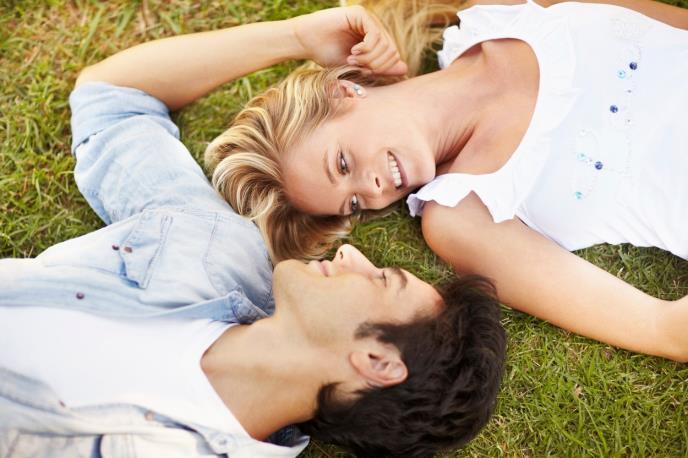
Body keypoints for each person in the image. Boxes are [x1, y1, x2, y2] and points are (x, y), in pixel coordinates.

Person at [0, 16, 507, 457]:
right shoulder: (214, 253)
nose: (353, 251)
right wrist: (295, 36)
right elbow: (111, 98)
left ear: (377, 362)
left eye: (381, 279)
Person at [202, 0, 688, 361]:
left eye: (344, 164)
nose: (372, 191)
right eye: (353, 203)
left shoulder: (501, 13)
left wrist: (300, 34)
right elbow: (662, 328)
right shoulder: (461, 216)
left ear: (343, 92)